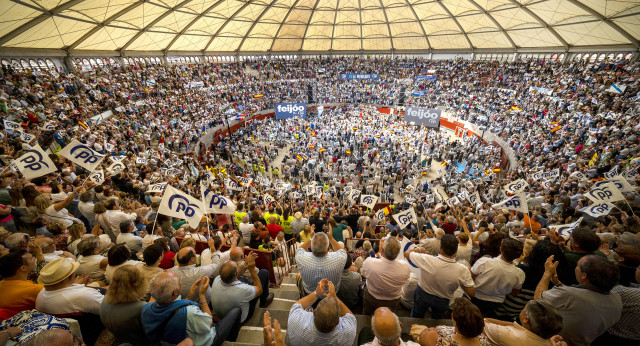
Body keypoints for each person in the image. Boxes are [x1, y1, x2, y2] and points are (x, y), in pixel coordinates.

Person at [536, 254, 623, 346]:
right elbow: (582, 296)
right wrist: (558, 283)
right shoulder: (617, 299)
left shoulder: (568, 295)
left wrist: (547, 273)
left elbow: (538, 300)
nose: (575, 268)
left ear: (584, 275)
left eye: (577, 266)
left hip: (553, 342)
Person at [141, 272, 241, 346]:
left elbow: (173, 309)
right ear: (175, 292)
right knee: (236, 311)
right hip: (208, 341)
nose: (181, 283)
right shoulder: (189, 312)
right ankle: (230, 340)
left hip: (169, 340)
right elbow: (209, 323)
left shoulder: (145, 308)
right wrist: (202, 295)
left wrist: (189, 296)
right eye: (179, 282)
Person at [34, 258, 105, 345]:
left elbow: (67, 295)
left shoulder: (42, 293)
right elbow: (110, 309)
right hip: (92, 332)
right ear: (71, 276)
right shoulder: (82, 295)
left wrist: (75, 284)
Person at [404, 234, 475, 319]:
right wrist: (465, 277)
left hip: (423, 294)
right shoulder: (463, 270)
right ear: (455, 250)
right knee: (437, 319)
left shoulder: (427, 259)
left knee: (417, 315)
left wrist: (419, 249)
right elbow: (471, 293)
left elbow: (406, 253)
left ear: (440, 247)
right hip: (443, 299)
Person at [287, 279, 357, 346]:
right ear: (337, 322)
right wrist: (335, 297)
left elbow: (297, 305)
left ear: (314, 313)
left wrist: (316, 293)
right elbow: (350, 316)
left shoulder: (295, 321)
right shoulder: (349, 332)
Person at [211, 251, 273, 323]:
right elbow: (259, 290)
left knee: (243, 279)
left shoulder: (217, 279)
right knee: (264, 272)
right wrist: (252, 268)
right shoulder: (243, 289)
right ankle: (264, 302)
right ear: (235, 274)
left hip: (221, 314)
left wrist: (245, 264)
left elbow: (234, 275)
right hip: (240, 319)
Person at [470, 238, 525, 317]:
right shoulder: (520, 273)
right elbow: (514, 292)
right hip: (496, 303)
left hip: (476, 297)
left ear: (500, 249)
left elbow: (471, 277)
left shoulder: (485, 261)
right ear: (519, 255)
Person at [100, 265, 153, 345]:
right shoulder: (142, 307)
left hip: (119, 337)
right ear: (138, 284)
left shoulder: (105, 299)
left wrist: (135, 298)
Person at [362, 237, 410, 315]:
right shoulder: (405, 267)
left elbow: (365, 270)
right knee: (390, 315)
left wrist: (379, 251)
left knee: (367, 315)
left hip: (372, 297)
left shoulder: (369, 263)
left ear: (383, 250)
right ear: (398, 253)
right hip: (393, 300)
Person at [483, 300, 564, 346]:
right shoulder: (548, 342)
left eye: (524, 308)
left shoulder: (504, 333)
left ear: (526, 319)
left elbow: (481, 323)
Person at [414, 298, 490, 346]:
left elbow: (422, 339)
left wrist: (428, 331)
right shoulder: (484, 341)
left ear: (455, 322)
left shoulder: (441, 338)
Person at [296, 229, 348, 297]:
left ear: (311, 246)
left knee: (298, 275)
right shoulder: (339, 258)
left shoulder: (301, 257)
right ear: (328, 246)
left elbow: (299, 250)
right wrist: (331, 238)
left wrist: (311, 238)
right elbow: (342, 251)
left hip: (309, 293)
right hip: (331, 294)